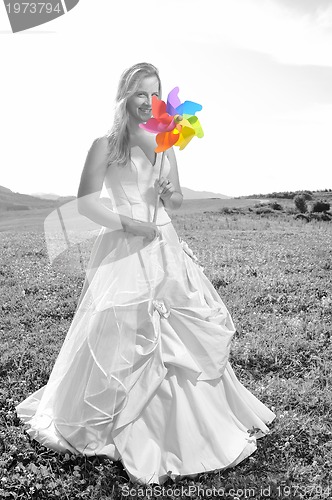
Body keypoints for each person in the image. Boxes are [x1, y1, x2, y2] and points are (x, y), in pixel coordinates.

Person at [16, 62, 275, 485]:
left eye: (154, 94)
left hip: (164, 242)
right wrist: (129, 222)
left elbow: (175, 201)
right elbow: (84, 203)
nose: (147, 102)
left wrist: (168, 193)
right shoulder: (105, 144)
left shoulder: (165, 140)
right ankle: (111, 417)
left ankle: (195, 426)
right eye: (140, 93)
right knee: (124, 323)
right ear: (124, 95)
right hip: (125, 240)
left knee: (178, 326)